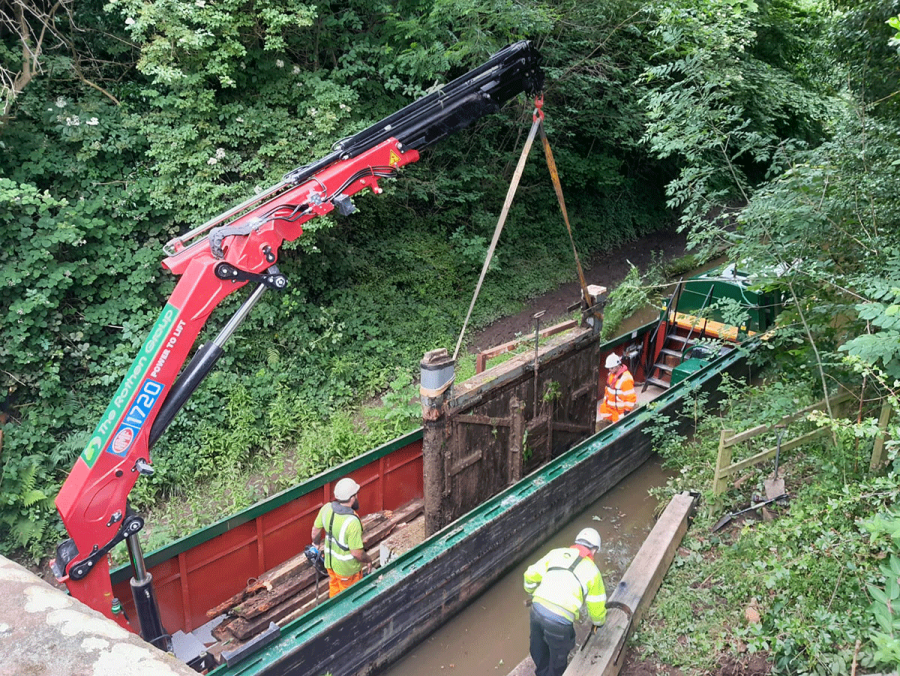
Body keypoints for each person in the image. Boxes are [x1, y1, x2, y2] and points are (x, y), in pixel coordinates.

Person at [523, 528, 607, 676]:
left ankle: (541, 672)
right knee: (558, 661)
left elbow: (530, 575)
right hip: (559, 621)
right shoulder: (593, 571)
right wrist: (599, 623)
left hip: (536, 610)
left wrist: (531, 592)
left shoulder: (556, 553)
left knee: (538, 649)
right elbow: (596, 607)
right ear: (594, 550)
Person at [311, 477, 373, 597]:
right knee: (350, 596)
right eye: (356, 495)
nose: (357, 497)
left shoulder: (326, 508)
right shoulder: (352, 521)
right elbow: (357, 553)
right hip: (347, 570)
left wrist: (316, 544)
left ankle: (333, 608)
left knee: (334, 586)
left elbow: (315, 530)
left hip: (330, 563)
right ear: (351, 498)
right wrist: (368, 560)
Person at [596, 352, 636, 430]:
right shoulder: (612, 375)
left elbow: (630, 398)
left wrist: (626, 413)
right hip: (610, 412)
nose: (609, 370)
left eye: (611, 368)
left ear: (618, 366)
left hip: (619, 414)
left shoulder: (626, 379)